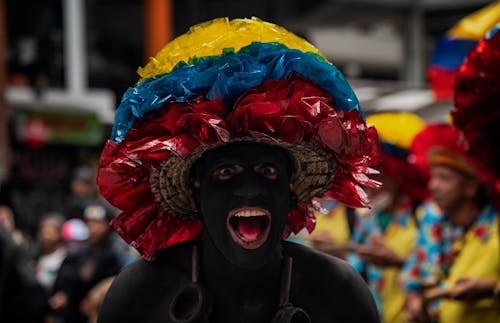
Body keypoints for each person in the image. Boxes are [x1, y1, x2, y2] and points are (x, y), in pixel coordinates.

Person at [96, 17, 381, 323]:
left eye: (268, 171)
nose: (249, 188)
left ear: (291, 189)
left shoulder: (339, 293)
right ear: (195, 191)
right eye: (225, 172)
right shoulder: (140, 295)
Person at [400, 122, 500, 323]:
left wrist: (492, 290)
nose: (433, 186)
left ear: (471, 187)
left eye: (444, 178)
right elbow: (412, 276)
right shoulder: (430, 224)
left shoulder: (496, 228)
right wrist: (414, 301)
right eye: (432, 177)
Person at [346, 112, 428, 323]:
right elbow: (356, 270)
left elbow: (444, 275)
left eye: (377, 170)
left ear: (398, 174)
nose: (368, 179)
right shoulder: (365, 216)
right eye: (366, 171)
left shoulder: (424, 216)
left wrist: (399, 262)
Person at [50, 203, 123, 323]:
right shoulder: (78, 253)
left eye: (98, 223)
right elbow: (64, 280)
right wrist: (63, 293)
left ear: (107, 225)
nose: (93, 228)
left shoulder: (115, 253)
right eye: (90, 223)